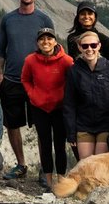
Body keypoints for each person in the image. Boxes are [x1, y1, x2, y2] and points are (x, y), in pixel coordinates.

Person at [0, 0, 54, 180]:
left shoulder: (44, 20)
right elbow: (0, 49)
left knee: (42, 125)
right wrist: (0, 75)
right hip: (12, 80)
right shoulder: (8, 19)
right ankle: (21, 164)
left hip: (38, 82)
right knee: (12, 124)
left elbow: (52, 51)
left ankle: (45, 170)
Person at [63, 30, 109, 161]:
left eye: (93, 45)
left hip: (107, 124)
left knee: (99, 164)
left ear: (99, 46)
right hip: (84, 125)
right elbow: (69, 104)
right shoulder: (74, 71)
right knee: (86, 165)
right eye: (85, 46)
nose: (89, 49)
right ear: (79, 47)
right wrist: (71, 132)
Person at [22, 28, 74, 190]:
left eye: (49, 39)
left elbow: (72, 81)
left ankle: (61, 181)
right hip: (39, 108)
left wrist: (66, 98)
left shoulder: (66, 60)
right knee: (45, 144)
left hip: (59, 108)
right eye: (42, 39)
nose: (46, 42)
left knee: (59, 144)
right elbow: (25, 79)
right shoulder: (31, 60)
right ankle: (49, 182)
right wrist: (33, 94)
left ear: (55, 41)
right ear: (38, 42)